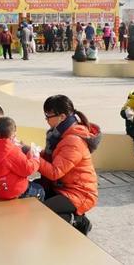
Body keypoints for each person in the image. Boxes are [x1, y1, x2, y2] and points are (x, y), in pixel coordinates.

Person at [37, 95, 100, 235]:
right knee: (33, 199)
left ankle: (79, 222)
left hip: (80, 193)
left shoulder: (73, 140)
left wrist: (34, 159)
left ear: (62, 117)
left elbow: (55, 172)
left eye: (48, 115)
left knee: (42, 212)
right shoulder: (60, 134)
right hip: (64, 187)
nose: (46, 119)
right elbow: (55, 159)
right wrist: (33, 153)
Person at [0, 117, 44, 201]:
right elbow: (28, 169)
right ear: (13, 135)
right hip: (15, 191)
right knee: (40, 190)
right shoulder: (12, 151)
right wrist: (35, 157)